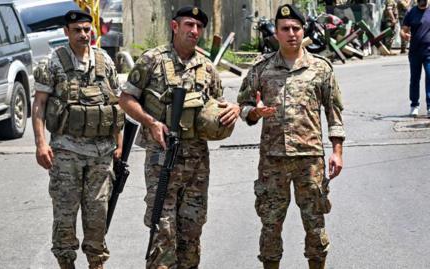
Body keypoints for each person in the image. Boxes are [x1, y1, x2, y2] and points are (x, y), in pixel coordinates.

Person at [118, 6, 240, 269]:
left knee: (191, 234)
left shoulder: (207, 68)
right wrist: (150, 122)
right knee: (163, 232)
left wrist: (232, 110)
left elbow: (217, 105)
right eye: (188, 25)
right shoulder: (152, 60)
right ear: (175, 26)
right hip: (162, 160)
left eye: (198, 26)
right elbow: (126, 98)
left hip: (197, 164)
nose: (194, 31)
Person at [237, 4, 345, 269]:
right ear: (276, 32)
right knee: (270, 227)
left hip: (310, 161)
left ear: (303, 30)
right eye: (285, 29)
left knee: (315, 226)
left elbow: (334, 113)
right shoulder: (261, 69)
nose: (291, 33)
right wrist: (255, 112)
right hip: (272, 162)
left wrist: (337, 152)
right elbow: (243, 106)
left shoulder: (321, 68)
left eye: (296, 28)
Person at [32, 10, 124, 269]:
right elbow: (39, 104)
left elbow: (116, 101)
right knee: (65, 216)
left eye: (87, 29)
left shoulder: (105, 60)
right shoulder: (53, 63)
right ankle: (66, 264)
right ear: (66, 32)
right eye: (77, 30)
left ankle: (97, 264)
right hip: (66, 151)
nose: (84, 35)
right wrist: (41, 143)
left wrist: (119, 142)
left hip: (101, 154)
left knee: (98, 217)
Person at [400, 0, 430, 117]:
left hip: (428, 52)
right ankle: (414, 105)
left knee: (429, 77)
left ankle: (429, 106)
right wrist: (404, 35)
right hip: (415, 52)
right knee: (414, 79)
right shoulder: (411, 12)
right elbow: (403, 30)